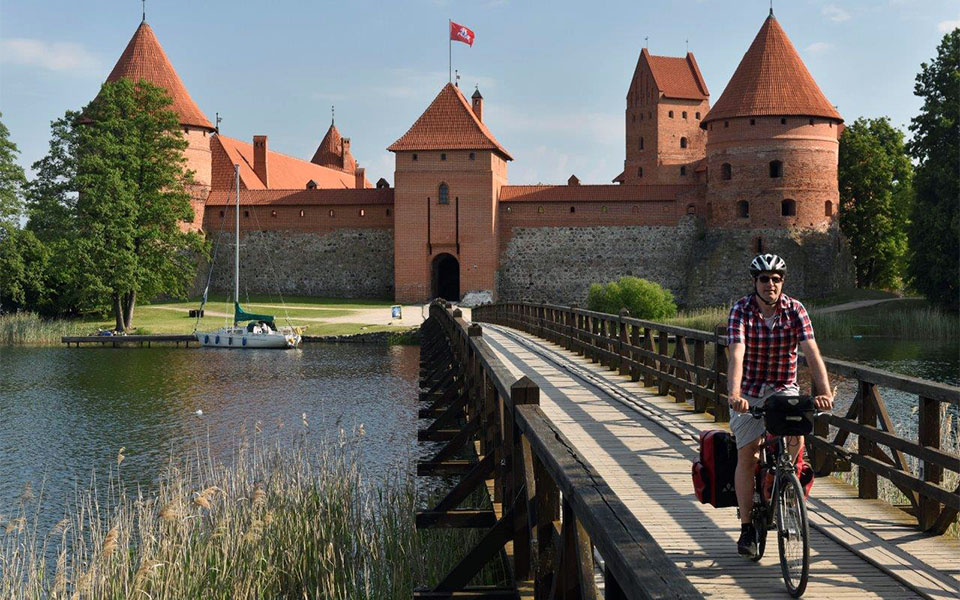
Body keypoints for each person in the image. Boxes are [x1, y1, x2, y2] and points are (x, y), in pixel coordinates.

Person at [726, 253, 834, 558]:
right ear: (755, 282)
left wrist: (824, 392)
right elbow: (737, 353)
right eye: (764, 279)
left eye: (776, 279)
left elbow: (812, 352)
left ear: (782, 282)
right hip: (749, 391)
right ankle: (747, 527)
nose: (770, 284)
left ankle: (785, 486)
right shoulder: (741, 310)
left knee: (795, 440)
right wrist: (735, 395)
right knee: (747, 455)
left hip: (785, 388)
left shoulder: (796, 309)